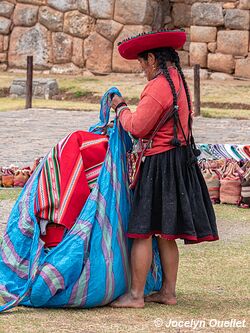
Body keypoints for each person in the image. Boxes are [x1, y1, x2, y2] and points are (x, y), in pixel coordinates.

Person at [110, 29, 219, 308]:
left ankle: (135, 296)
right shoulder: (177, 81)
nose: (142, 70)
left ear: (151, 59)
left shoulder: (158, 86)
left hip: (160, 163)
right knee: (164, 231)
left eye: (142, 64)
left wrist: (121, 108)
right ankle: (168, 292)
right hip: (178, 161)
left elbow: (137, 126)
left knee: (143, 230)